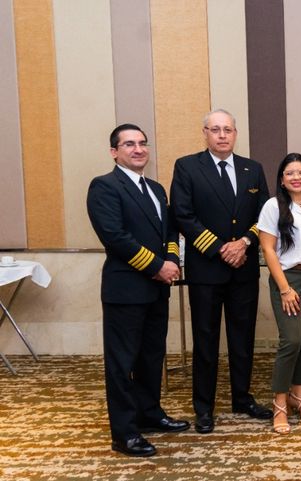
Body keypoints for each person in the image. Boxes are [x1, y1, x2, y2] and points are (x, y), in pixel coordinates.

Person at [87, 124, 190, 457]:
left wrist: (172, 259)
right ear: (114, 152)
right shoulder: (104, 186)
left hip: (157, 289)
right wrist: (158, 266)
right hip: (126, 289)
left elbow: (170, 232)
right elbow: (115, 237)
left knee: (151, 357)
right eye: (129, 144)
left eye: (142, 143)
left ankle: (149, 413)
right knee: (122, 363)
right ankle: (125, 433)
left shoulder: (157, 189)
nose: (138, 149)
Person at [170, 109, 272, 434]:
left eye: (228, 129)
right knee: (206, 340)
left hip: (244, 270)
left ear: (235, 133)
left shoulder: (252, 169)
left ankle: (242, 398)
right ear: (205, 133)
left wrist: (243, 242)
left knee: (243, 339)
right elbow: (183, 215)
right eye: (215, 130)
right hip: (206, 271)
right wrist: (220, 248)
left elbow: (265, 215)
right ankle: (204, 407)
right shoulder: (187, 167)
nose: (222, 135)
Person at [258, 153, 301, 435]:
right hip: (289, 279)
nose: (296, 177)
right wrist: (285, 288)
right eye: (290, 173)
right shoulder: (273, 206)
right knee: (291, 341)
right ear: (282, 180)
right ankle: (280, 404)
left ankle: (299, 397)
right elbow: (268, 250)